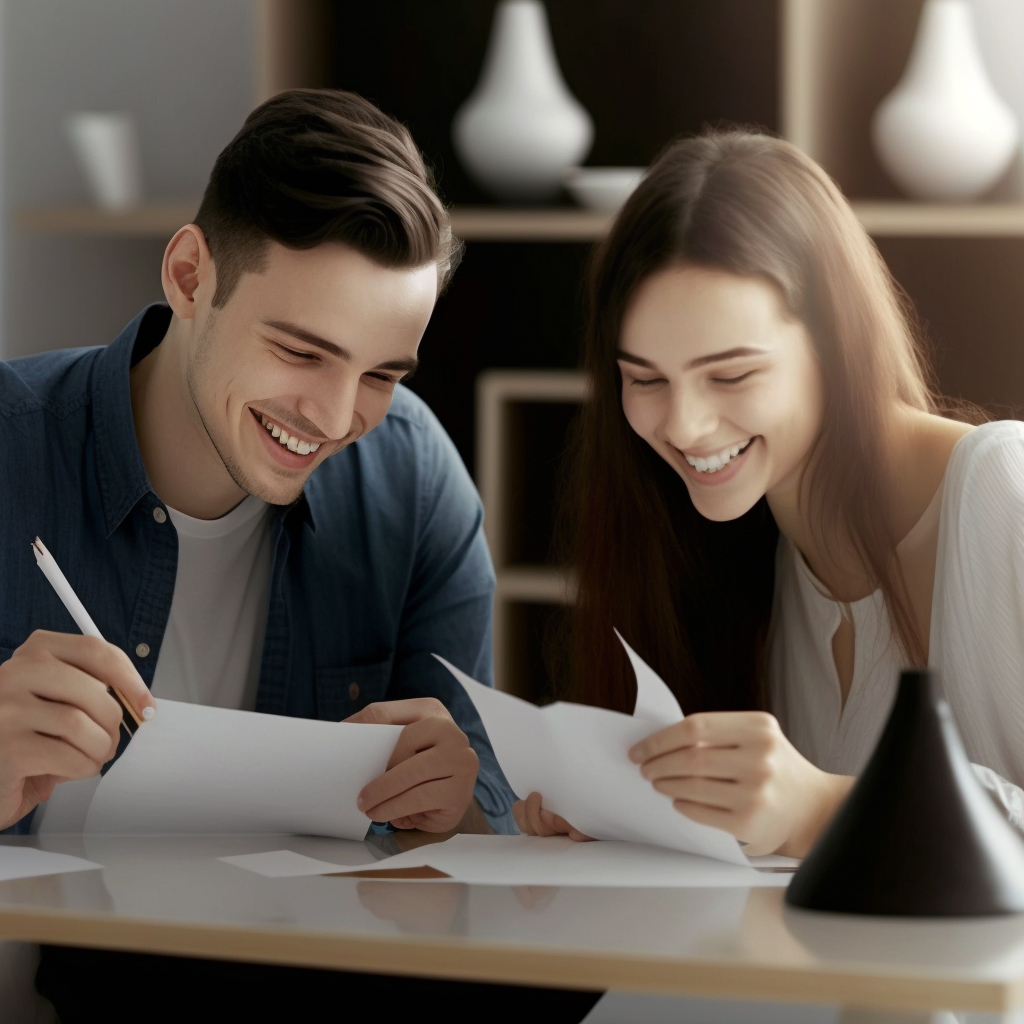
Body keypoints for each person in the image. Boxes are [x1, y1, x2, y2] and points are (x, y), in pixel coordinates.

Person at [0, 88, 598, 1022]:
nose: (333, 417)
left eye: (382, 375)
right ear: (192, 275)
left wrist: (458, 795)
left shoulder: (414, 482)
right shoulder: (11, 446)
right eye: (301, 352)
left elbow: (474, 813)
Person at [514, 129, 1024, 857]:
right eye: (645, 379)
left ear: (835, 343)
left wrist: (820, 809)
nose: (685, 426)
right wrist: (631, 818)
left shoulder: (1003, 491)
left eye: (731, 375)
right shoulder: (734, 546)